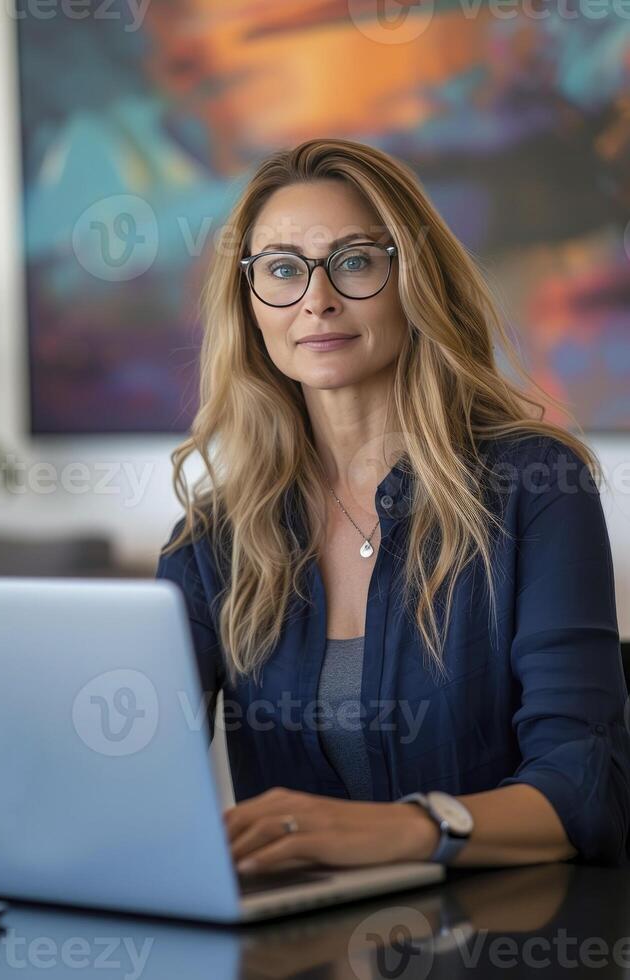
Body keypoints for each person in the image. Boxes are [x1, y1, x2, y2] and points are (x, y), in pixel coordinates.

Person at [156, 137, 630, 875]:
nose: (317, 298)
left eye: (353, 261)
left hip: (502, 940)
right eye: (282, 269)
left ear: (414, 278)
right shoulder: (216, 536)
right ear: (249, 305)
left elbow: (584, 788)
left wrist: (409, 830)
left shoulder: (536, 484)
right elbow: (130, 769)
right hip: (295, 946)